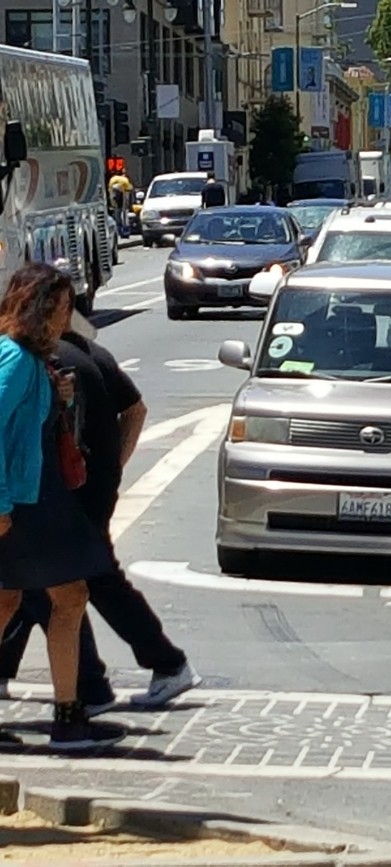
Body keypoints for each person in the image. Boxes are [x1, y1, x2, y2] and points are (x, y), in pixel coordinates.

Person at [0, 326, 200, 708]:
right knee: (36, 589)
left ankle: (98, 683)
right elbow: (137, 410)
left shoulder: (37, 359)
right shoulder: (90, 351)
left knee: (61, 589)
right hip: (85, 487)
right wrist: (113, 469)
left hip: (58, 493)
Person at [0, 262, 125, 749]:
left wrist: (56, 397)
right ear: (42, 308)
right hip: (22, 501)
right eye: (64, 307)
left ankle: (69, 714)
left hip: (29, 496)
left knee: (15, 599)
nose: (68, 318)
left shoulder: (28, 360)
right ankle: (68, 716)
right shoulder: (13, 358)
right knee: (68, 597)